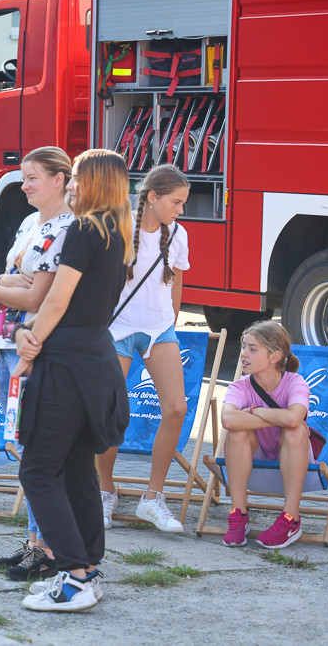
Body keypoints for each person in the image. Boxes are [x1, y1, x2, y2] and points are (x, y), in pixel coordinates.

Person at [12, 149, 132, 612]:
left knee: (38, 470)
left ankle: (75, 576)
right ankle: (88, 571)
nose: (74, 184)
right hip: (95, 360)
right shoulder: (118, 232)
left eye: (79, 177)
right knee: (78, 468)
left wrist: (29, 345)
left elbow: (57, 302)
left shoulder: (86, 228)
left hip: (66, 362)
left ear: (96, 182)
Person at [0, 146, 73, 581]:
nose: (25, 185)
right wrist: (6, 283)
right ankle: (34, 542)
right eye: (24, 177)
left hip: (34, 348)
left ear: (59, 179)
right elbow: (16, 280)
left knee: (38, 450)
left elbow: (37, 296)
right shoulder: (27, 223)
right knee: (22, 447)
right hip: (6, 343)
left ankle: (48, 546)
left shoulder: (66, 227)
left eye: (33, 177)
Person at [99, 164, 191, 532]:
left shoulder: (178, 234)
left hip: (159, 329)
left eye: (183, 203)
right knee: (107, 413)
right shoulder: (118, 228)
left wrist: (171, 322)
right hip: (116, 329)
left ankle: (152, 498)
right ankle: (105, 492)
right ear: (152, 197)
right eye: (176, 201)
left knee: (176, 408)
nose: (180, 209)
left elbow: (177, 284)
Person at [220, 321, 311, 549]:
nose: (243, 354)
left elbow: (293, 419)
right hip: (253, 461)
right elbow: (228, 420)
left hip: (295, 461)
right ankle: (238, 513)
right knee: (237, 432)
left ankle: (291, 518)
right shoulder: (240, 386)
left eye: (253, 349)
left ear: (274, 357)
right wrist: (277, 415)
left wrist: (254, 411)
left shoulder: (295, 383)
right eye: (243, 347)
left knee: (295, 430)